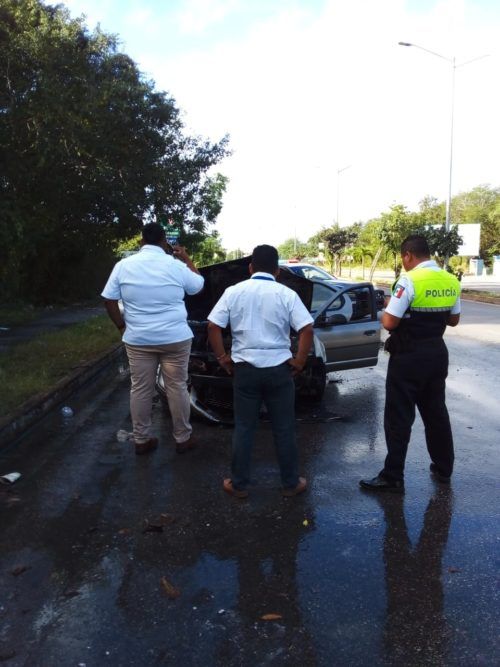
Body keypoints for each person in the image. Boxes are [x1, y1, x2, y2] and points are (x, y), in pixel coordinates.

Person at [207, 244, 314, 499]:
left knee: (244, 427)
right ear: (277, 271)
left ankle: (239, 484)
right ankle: (290, 484)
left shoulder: (234, 291)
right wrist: (299, 361)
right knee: (284, 427)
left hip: (245, 371)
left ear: (250, 267)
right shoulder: (286, 294)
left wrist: (223, 357)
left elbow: (213, 326)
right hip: (279, 371)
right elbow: (307, 329)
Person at [360, 234, 461, 493]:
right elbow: (453, 320)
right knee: (436, 412)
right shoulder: (450, 280)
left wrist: (389, 306)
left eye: (403, 258)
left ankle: (393, 476)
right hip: (437, 353)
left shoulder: (409, 280)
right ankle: (443, 468)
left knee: (399, 416)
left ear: (408, 255)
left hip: (408, 356)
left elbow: (390, 323)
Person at [101, 222, 204, 455]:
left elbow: (108, 300)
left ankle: (141, 440)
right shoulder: (175, 265)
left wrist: (121, 326)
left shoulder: (123, 266)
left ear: (140, 242)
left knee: (140, 388)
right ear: (164, 241)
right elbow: (198, 286)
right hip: (175, 338)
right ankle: (182, 438)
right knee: (177, 386)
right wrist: (186, 258)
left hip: (138, 339)